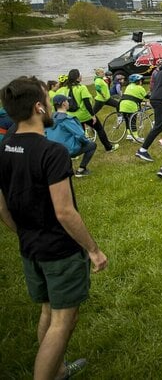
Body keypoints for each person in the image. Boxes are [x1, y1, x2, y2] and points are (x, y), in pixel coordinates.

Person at [0, 76, 108, 380]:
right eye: (47, 100)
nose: (49, 104)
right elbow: (65, 211)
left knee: (48, 310)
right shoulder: (52, 152)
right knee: (63, 321)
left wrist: (23, 233)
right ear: (38, 107)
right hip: (59, 250)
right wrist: (93, 249)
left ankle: (58, 370)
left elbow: (1, 208)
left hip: (29, 248)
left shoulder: (4, 146)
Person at [56, 69, 118, 153]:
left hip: (72, 116)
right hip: (85, 115)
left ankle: (77, 151)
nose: (81, 76)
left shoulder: (62, 90)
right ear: (77, 78)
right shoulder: (81, 88)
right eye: (80, 75)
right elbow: (87, 103)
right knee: (99, 129)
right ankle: (108, 147)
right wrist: (92, 115)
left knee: (79, 134)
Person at [46, 94, 97, 177]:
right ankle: (81, 169)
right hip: (67, 150)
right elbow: (80, 135)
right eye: (67, 101)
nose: (69, 103)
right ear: (64, 104)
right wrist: (86, 142)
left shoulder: (50, 118)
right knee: (92, 145)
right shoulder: (67, 119)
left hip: (53, 150)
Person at [119, 74, 149, 142]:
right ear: (138, 81)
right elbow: (147, 96)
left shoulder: (129, 86)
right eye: (141, 81)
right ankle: (136, 137)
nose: (142, 82)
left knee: (127, 121)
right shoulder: (140, 88)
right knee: (133, 122)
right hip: (131, 106)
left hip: (122, 105)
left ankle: (129, 135)